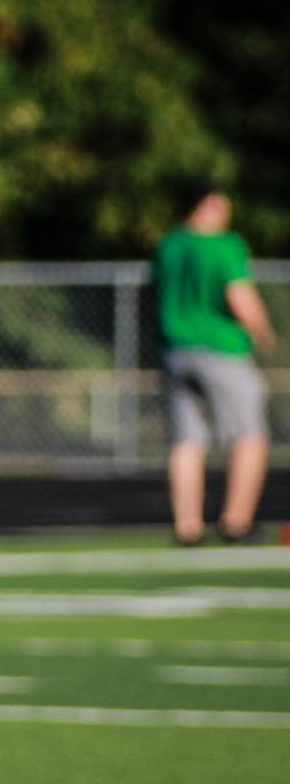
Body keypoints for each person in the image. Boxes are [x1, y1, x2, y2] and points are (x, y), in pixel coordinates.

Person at [154, 183, 276, 545]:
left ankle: (187, 527)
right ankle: (236, 521)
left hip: (174, 351)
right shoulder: (224, 244)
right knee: (250, 436)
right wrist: (262, 330)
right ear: (205, 206)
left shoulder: (169, 245)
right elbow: (238, 292)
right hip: (220, 349)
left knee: (187, 442)